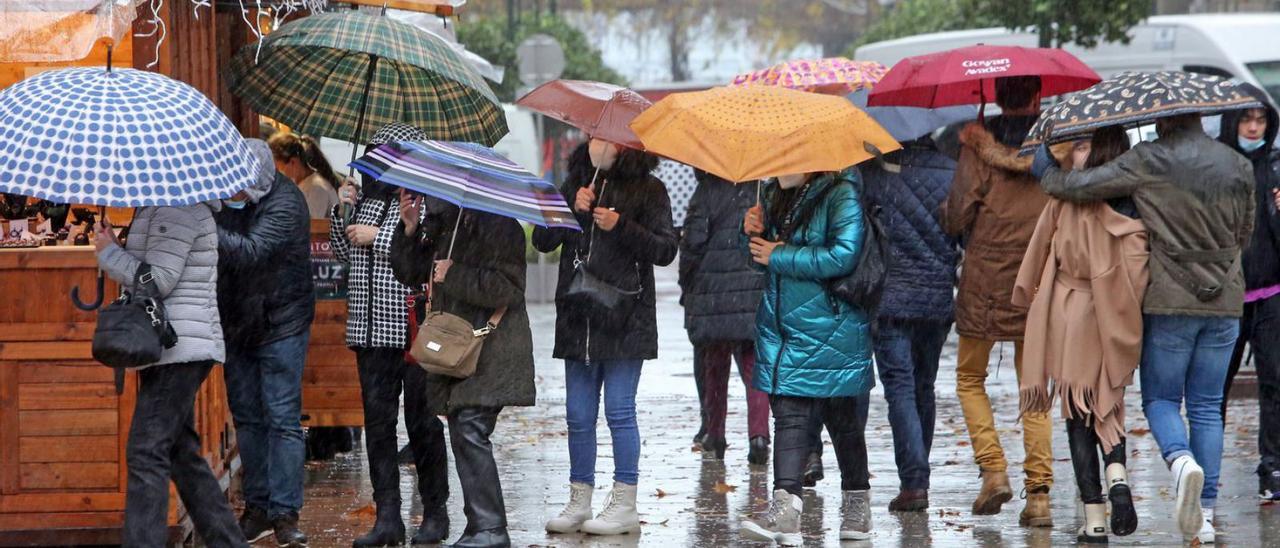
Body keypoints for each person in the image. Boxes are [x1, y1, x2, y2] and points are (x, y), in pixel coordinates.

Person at [1035, 112, 1255, 544]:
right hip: (1227, 301)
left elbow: (1079, 186)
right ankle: (1205, 514)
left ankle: (1179, 463)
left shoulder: (1148, 160)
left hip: (1172, 300)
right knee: (1208, 407)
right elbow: (1244, 232)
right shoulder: (1238, 164)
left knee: (1161, 399)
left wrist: (1044, 165)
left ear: (1163, 123)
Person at [534, 139, 677, 537]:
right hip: (579, 315)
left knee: (618, 411)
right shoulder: (576, 182)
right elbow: (541, 241)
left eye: (608, 137)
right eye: (593, 134)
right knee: (578, 416)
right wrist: (568, 211)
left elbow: (666, 249)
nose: (599, 142)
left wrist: (622, 226)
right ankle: (579, 499)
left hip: (625, 317)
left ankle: (624, 503)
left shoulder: (649, 189)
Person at [1015, 127, 1143, 544]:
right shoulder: (1130, 202)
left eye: (1084, 145)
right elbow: (1139, 261)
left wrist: (1026, 289)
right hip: (1113, 314)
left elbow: (1038, 250)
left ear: (1102, 148)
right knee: (1107, 402)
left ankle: (1095, 519)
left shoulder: (1064, 198)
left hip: (1070, 312)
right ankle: (1118, 477)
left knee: (1075, 411)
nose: (1074, 154)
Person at [93, 199, 245, 547]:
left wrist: (109, 254)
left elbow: (158, 279)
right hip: (175, 345)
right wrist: (116, 247)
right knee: (180, 454)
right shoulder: (162, 207)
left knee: (146, 451)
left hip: (179, 348)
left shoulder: (175, 209)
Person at [943, 75, 1060, 526]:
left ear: (996, 99)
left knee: (970, 378)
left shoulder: (977, 146)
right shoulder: (1056, 149)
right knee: (1035, 393)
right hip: (1037, 282)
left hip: (985, 282)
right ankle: (1040, 498)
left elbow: (956, 216)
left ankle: (993, 471)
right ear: (1037, 97)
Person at [389, 192, 536, 548]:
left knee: (470, 427)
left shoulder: (500, 226)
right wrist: (408, 229)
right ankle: (480, 525)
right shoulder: (444, 225)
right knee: (462, 428)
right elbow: (409, 272)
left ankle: (490, 528)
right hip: (460, 348)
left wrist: (455, 273)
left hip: (493, 347)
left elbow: (509, 288)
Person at [738, 168, 875, 545]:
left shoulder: (841, 192)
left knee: (843, 422)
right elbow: (758, 261)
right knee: (790, 416)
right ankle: (785, 507)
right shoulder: (770, 193)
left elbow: (843, 256)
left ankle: (857, 504)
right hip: (782, 328)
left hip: (833, 326)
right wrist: (750, 232)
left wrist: (780, 254)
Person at [330, 124, 450, 547]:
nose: (377, 162)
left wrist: (378, 236)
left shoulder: (423, 200)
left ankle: (436, 513)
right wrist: (340, 212)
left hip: (410, 328)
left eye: (386, 154)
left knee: (423, 424)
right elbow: (344, 253)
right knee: (378, 426)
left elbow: (425, 253)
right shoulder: (362, 199)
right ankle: (388, 518)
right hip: (368, 331)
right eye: (373, 154)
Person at [215, 139, 315, 547]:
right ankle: (257, 507)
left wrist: (207, 225)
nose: (232, 194)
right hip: (238, 321)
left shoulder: (286, 203)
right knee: (247, 418)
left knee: (282, 418)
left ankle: (285, 513)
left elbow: (253, 250)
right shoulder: (228, 196)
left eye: (239, 187)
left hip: (281, 322)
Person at [861, 136, 959, 512]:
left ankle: (914, 481)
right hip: (935, 299)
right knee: (924, 386)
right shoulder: (953, 172)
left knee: (899, 388)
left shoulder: (876, 174)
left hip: (890, 299)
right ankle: (917, 478)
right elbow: (960, 229)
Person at [678, 169, 769, 464]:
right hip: (751, 291)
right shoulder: (759, 190)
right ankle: (758, 435)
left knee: (714, 369)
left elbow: (692, 243)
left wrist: (687, 284)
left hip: (712, 293)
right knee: (753, 368)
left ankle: (715, 433)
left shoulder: (705, 193)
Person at [1217, 85, 1280, 500]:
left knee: (1274, 382)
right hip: (1225, 297)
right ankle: (1205, 469)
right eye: (1246, 120)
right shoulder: (1219, 166)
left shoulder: (1276, 167)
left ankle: (1272, 467)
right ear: (1232, 123)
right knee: (1214, 388)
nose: (1254, 128)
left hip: (1272, 293)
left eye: (1260, 120)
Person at [269, 132, 342, 219]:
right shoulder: (303, 184)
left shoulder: (316, 188)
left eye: (277, 168)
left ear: (293, 162)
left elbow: (311, 225)